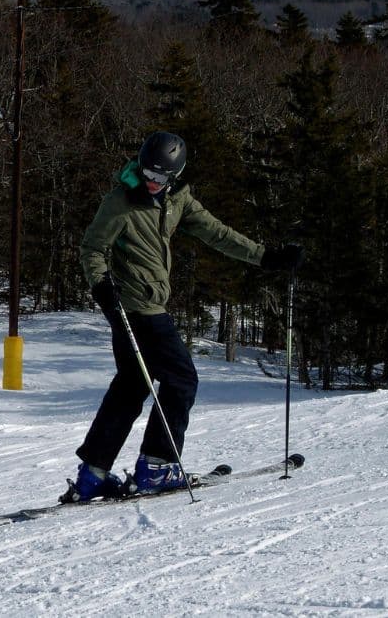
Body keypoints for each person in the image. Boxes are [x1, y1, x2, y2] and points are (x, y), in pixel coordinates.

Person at [71, 131, 304, 501]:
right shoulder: (120, 202)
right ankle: (157, 466)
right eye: (148, 173)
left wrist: (266, 257)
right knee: (181, 379)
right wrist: (101, 286)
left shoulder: (177, 200)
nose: (152, 182)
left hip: (142, 308)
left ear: (174, 178)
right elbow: (92, 249)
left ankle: (93, 474)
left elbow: (217, 233)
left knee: (131, 388)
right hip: (136, 308)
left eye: (161, 178)